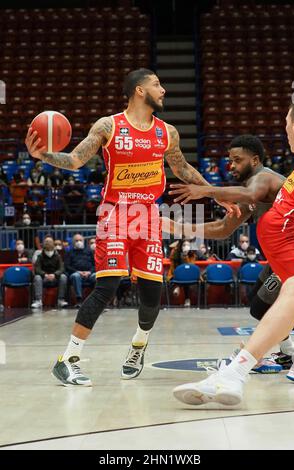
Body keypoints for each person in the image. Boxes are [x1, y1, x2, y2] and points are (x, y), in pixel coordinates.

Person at [25, 68, 240, 387]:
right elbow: (75, 161)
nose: (163, 90)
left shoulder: (167, 132)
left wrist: (215, 193)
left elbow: (181, 167)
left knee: (152, 293)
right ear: (139, 91)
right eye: (157, 84)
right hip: (114, 214)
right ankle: (68, 358)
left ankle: (137, 347)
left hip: (148, 216)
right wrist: (45, 156)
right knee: (108, 286)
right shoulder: (109, 125)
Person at [172, 102, 294, 406]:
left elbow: (252, 196)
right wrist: (174, 225)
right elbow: (224, 226)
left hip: (290, 254)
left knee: (285, 296)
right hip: (285, 258)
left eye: (285, 121)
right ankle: (238, 371)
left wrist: (208, 192)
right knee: (280, 300)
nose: (284, 128)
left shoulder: (264, 178)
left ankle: (236, 372)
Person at [31, 236, 68, 309]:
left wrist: (55, 274)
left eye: (49, 241)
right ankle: (38, 301)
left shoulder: (57, 256)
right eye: (46, 241)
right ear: (43, 244)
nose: (47, 243)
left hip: (55, 278)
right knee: (37, 277)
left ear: (53, 243)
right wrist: (44, 275)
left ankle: (61, 300)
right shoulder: (40, 256)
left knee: (63, 277)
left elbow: (61, 268)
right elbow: (37, 269)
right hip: (44, 278)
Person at [64, 234, 96, 308]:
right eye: (76, 240)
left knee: (97, 276)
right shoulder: (69, 253)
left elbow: (95, 265)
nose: (79, 242)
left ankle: (95, 300)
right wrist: (78, 272)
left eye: (80, 240)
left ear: (83, 241)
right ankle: (79, 300)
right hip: (76, 273)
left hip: (89, 274)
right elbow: (67, 266)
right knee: (76, 276)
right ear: (73, 242)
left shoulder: (89, 252)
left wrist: (89, 272)